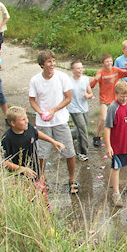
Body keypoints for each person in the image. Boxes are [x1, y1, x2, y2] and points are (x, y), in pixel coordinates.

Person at [28, 50, 78, 193]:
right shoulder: (35, 80)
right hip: (43, 123)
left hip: (60, 120)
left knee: (69, 151)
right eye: (49, 61)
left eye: (53, 61)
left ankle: (72, 179)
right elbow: (32, 100)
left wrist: (53, 111)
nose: (52, 64)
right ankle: (42, 179)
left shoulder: (62, 77)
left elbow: (68, 98)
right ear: (42, 65)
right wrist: (41, 112)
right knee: (42, 153)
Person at [1, 106, 65, 180]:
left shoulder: (29, 127)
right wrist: (22, 169)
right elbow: (3, 162)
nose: (26, 121)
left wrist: (53, 141)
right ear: (13, 123)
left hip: (34, 169)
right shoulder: (7, 138)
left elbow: (37, 133)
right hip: (18, 175)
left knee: (38, 184)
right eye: (23, 119)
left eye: (26, 118)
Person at [90, 54, 127, 147]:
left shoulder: (116, 70)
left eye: (110, 61)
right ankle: (97, 137)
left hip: (115, 99)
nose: (109, 63)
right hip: (104, 99)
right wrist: (95, 79)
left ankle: (115, 136)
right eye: (106, 61)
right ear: (102, 64)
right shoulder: (101, 73)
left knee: (116, 119)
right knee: (104, 118)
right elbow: (91, 86)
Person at [67, 59, 94, 161]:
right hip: (74, 109)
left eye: (81, 68)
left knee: (81, 129)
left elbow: (91, 93)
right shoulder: (69, 82)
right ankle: (82, 153)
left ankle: (67, 135)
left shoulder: (85, 79)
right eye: (78, 68)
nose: (80, 70)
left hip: (84, 108)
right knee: (83, 130)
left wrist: (88, 95)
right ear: (72, 70)